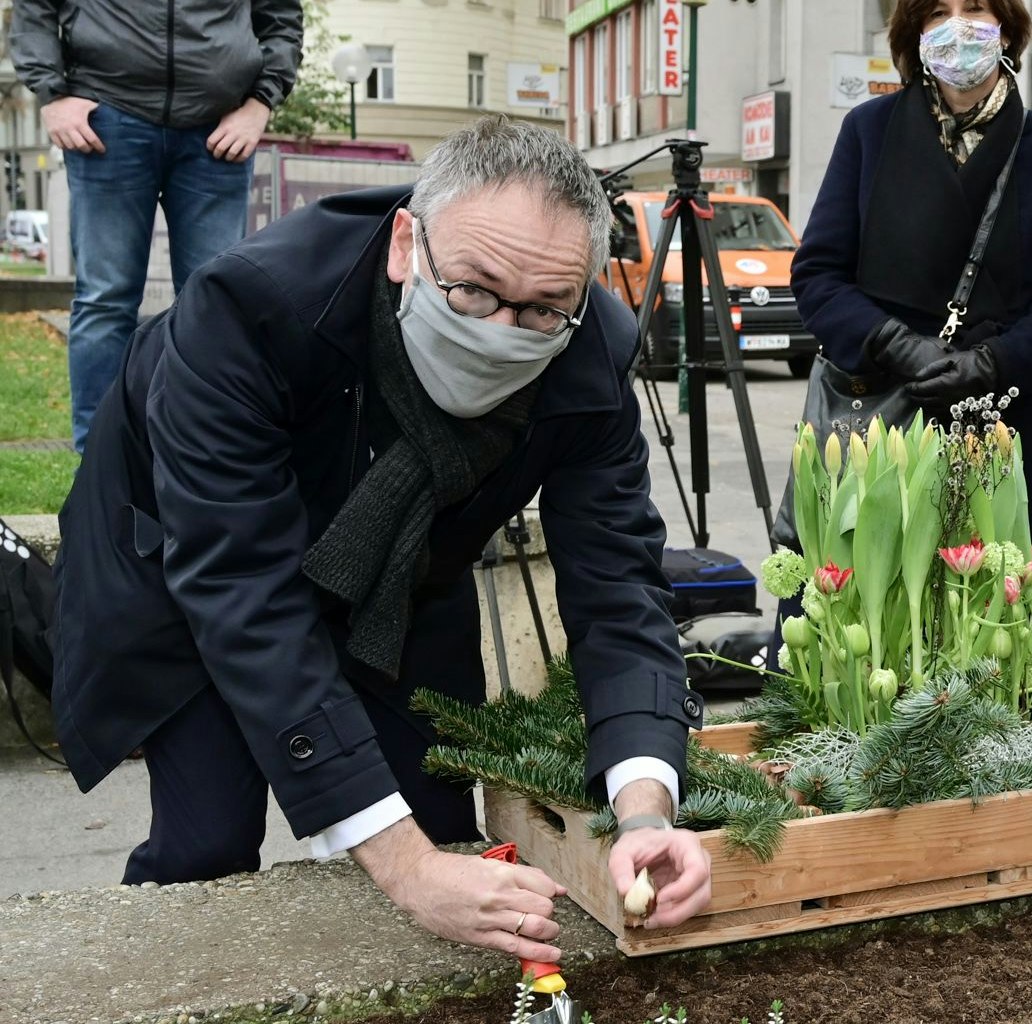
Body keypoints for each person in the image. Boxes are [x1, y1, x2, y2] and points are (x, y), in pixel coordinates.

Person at [52, 117, 713, 963]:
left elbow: (620, 587)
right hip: (190, 567)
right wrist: (402, 869)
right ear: (407, 244)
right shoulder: (250, 309)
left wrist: (648, 810)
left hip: (410, 573)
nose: (502, 330)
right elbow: (243, 590)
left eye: (544, 307)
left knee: (444, 825)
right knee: (207, 842)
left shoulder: (591, 359)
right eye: (473, 291)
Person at [791, 0, 1032, 535]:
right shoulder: (869, 128)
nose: (957, 26)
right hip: (877, 413)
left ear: (1006, 32)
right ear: (915, 36)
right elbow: (817, 273)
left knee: (975, 601)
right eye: (937, 13)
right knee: (857, 596)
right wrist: (895, 344)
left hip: (996, 421)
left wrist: (990, 363)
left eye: (976, 8)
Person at [8, 0, 303, 452]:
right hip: (107, 117)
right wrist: (52, 95)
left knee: (217, 307)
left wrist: (260, 102)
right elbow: (35, 7)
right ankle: (100, 463)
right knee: (105, 299)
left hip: (218, 129)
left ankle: (203, 459)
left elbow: (281, 16)